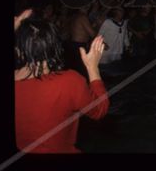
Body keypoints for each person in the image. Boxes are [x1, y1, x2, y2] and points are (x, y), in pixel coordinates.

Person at [15, 18, 109, 153]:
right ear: (56, 46)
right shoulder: (69, 81)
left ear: (18, 49)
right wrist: (92, 67)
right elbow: (100, 110)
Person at [63, 5, 96, 79]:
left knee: (75, 71)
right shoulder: (82, 17)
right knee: (82, 72)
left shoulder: (75, 16)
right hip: (79, 46)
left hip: (72, 45)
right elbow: (92, 33)